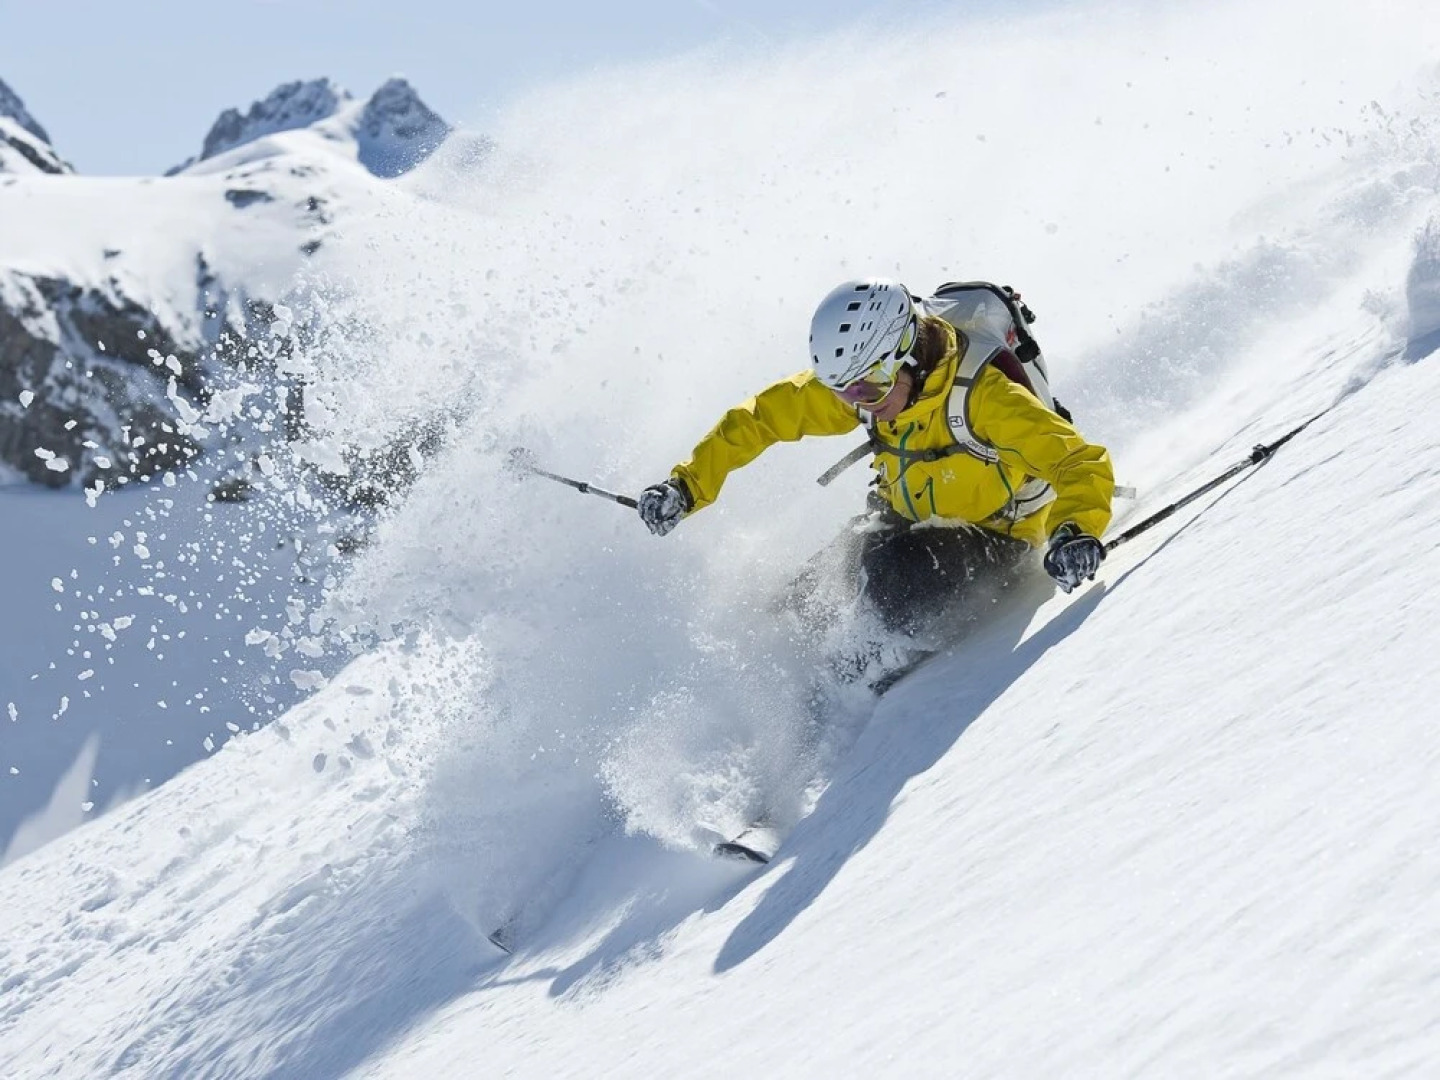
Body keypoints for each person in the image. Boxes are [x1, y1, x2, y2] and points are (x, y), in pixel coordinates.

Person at [636, 277, 1114, 637]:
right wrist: (686, 485)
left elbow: (1079, 462)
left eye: (866, 387)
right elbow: (761, 418)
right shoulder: (869, 388)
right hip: (901, 519)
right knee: (802, 602)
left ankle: (863, 677)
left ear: (904, 352)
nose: (859, 403)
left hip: (997, 534)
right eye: (844, 392)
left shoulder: (985, 397)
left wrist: (1074, 533)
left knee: (890, 582)